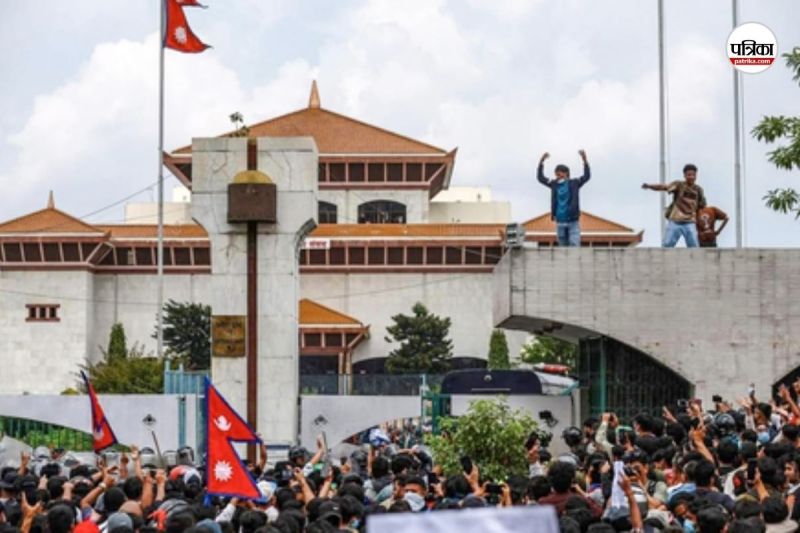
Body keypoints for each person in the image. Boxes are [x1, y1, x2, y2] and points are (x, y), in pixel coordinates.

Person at [642, 163, 707, 248]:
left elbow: (700, 208)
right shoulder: (679, 185)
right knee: (667, 244)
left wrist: (700, 223)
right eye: (689, 175)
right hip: (676, 220)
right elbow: (664, 187)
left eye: (693, 175)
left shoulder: (698, 190)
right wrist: (649, 186)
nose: (691, 177)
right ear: (684, 175)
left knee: (694, 245)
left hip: (690, 222)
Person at [537, 150, 591, 247]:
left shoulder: (574, 183)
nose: (557, 176)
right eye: (556, 174)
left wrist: (585, 161)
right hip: (560, 221)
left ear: (566, 173)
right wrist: (541, 162)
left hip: (572, 220)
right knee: (562, 249)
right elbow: (540, 178)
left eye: (559, 174)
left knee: (574, 245)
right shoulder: (554, 184)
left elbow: (586, 176)